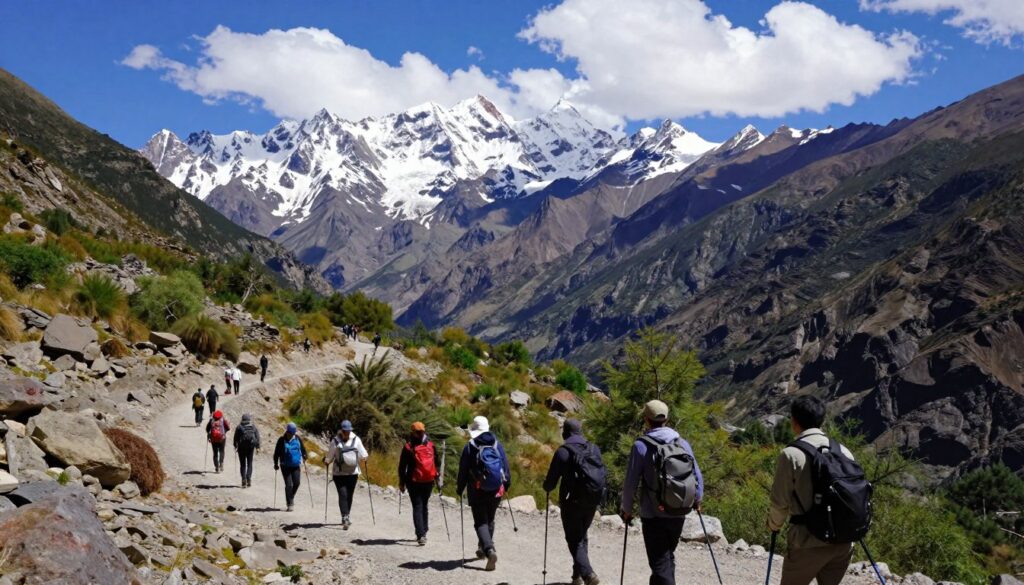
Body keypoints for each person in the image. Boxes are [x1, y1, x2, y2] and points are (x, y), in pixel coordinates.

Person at [768, 396, 856, 585]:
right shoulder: (844, 451)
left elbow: (780, 502)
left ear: (794, 421)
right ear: (821, 420)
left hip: (807, 541)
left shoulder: (791, 454)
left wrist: (774, 525)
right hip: (844, 541)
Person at [620, 400, 704, 585]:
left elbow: (630, 483)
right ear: (667, 419)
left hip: (653, 514)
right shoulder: (683, 444)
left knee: (659, 562)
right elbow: (697, 475)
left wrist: (627, 509)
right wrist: (697, 499)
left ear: (646, 420)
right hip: (679, 511)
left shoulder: (640, 446)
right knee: (666, 558)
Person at [544, 419, 604, 585]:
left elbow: (550, 483)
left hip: (572, 502)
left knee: (574, 540)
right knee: (582, 536)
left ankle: (588, 575)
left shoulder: (563, 452)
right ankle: (576, 577)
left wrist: (546, 486)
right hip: (592, 500)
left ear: (565, 433)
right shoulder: (594, 448)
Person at [456, 416, 511, 572]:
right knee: (490, 519)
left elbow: (463, 470)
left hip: (477, 489)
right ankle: (483, 547)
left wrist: (460, 488)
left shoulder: (470, 447)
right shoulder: (496, 444)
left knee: (480, 522)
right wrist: (506, 484)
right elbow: (505, 466)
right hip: (496, 489)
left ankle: (489, 550)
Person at [398, 421, 440, 546]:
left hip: (413, 480)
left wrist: (402, 482)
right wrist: (437, 478)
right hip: (428, 480)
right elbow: (436, 463)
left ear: (413, 432)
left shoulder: (408, 447)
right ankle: (424, 531)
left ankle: (420, 534)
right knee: (424, 505)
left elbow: (402, 467)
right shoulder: (431, 445)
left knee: (417, 506)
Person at [325, 420, 368, 529]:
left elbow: (364, 454)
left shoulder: (356, 439)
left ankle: (346, 515)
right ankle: (345, 517)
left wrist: (364, 458)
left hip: (353, 473)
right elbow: (330, 455)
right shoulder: (335, 441)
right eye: (345, 431)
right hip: (339, 474)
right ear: (341, 430)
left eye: (348, 431)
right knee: (343, 494)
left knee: (349, 495)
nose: (347, 433)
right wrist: (327, 461)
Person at [273, 422, 308, 512]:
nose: (291, 435)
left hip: (296, 465)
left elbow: (303, 449)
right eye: (290, 433)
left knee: (297, 483)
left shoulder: (297, 439)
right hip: (285, 465)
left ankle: (290, 497)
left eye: (292, 433)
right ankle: (290, 503)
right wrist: (276, 464)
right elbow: (276, 453)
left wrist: (304, 456)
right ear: (287, 431)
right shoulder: (281, 440)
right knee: (289, 485)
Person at [233, 413, 261, 488]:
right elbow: (257, 437)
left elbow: (235, 437)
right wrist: (258, 447)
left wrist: (235, 446)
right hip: (250, 448)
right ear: (249, 419)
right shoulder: (253, 426)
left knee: (242, 464)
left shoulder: (239, 427)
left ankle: (243, 480)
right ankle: (248, 478)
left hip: (241, 448)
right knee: (249, 463)